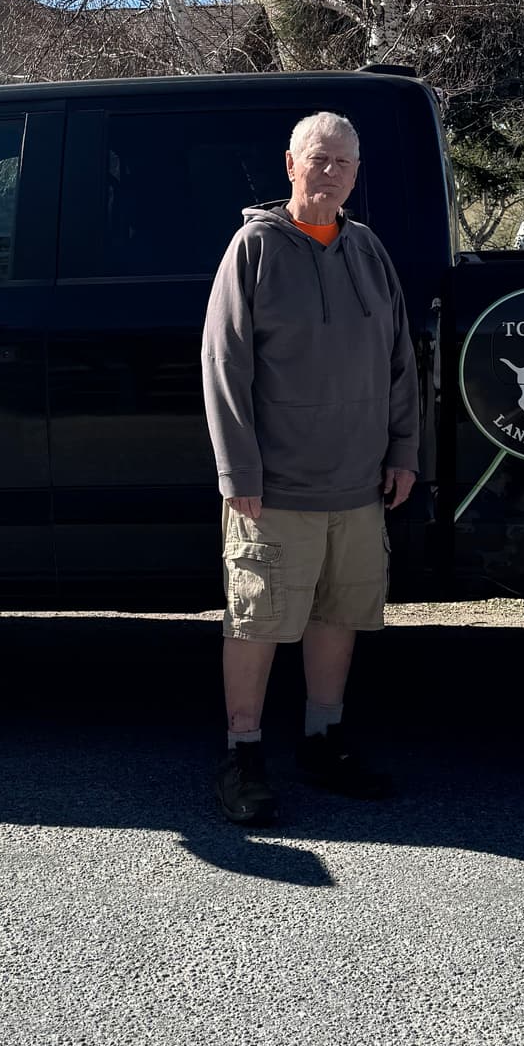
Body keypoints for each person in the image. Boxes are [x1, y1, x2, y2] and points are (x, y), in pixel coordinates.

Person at [201, 111, 420, 827]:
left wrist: (402, 451)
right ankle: (243, 756)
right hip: (275, 492)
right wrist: (240, 475)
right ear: (290, 164)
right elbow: (223, 365)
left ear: (356, 175)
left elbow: (400, 361)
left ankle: (323, 742)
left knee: (337, 616)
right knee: (257, 622)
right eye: (318, 160)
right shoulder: (252, 250)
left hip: (358, 487)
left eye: (343, 164)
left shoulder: (367, 250)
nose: (329, 173)